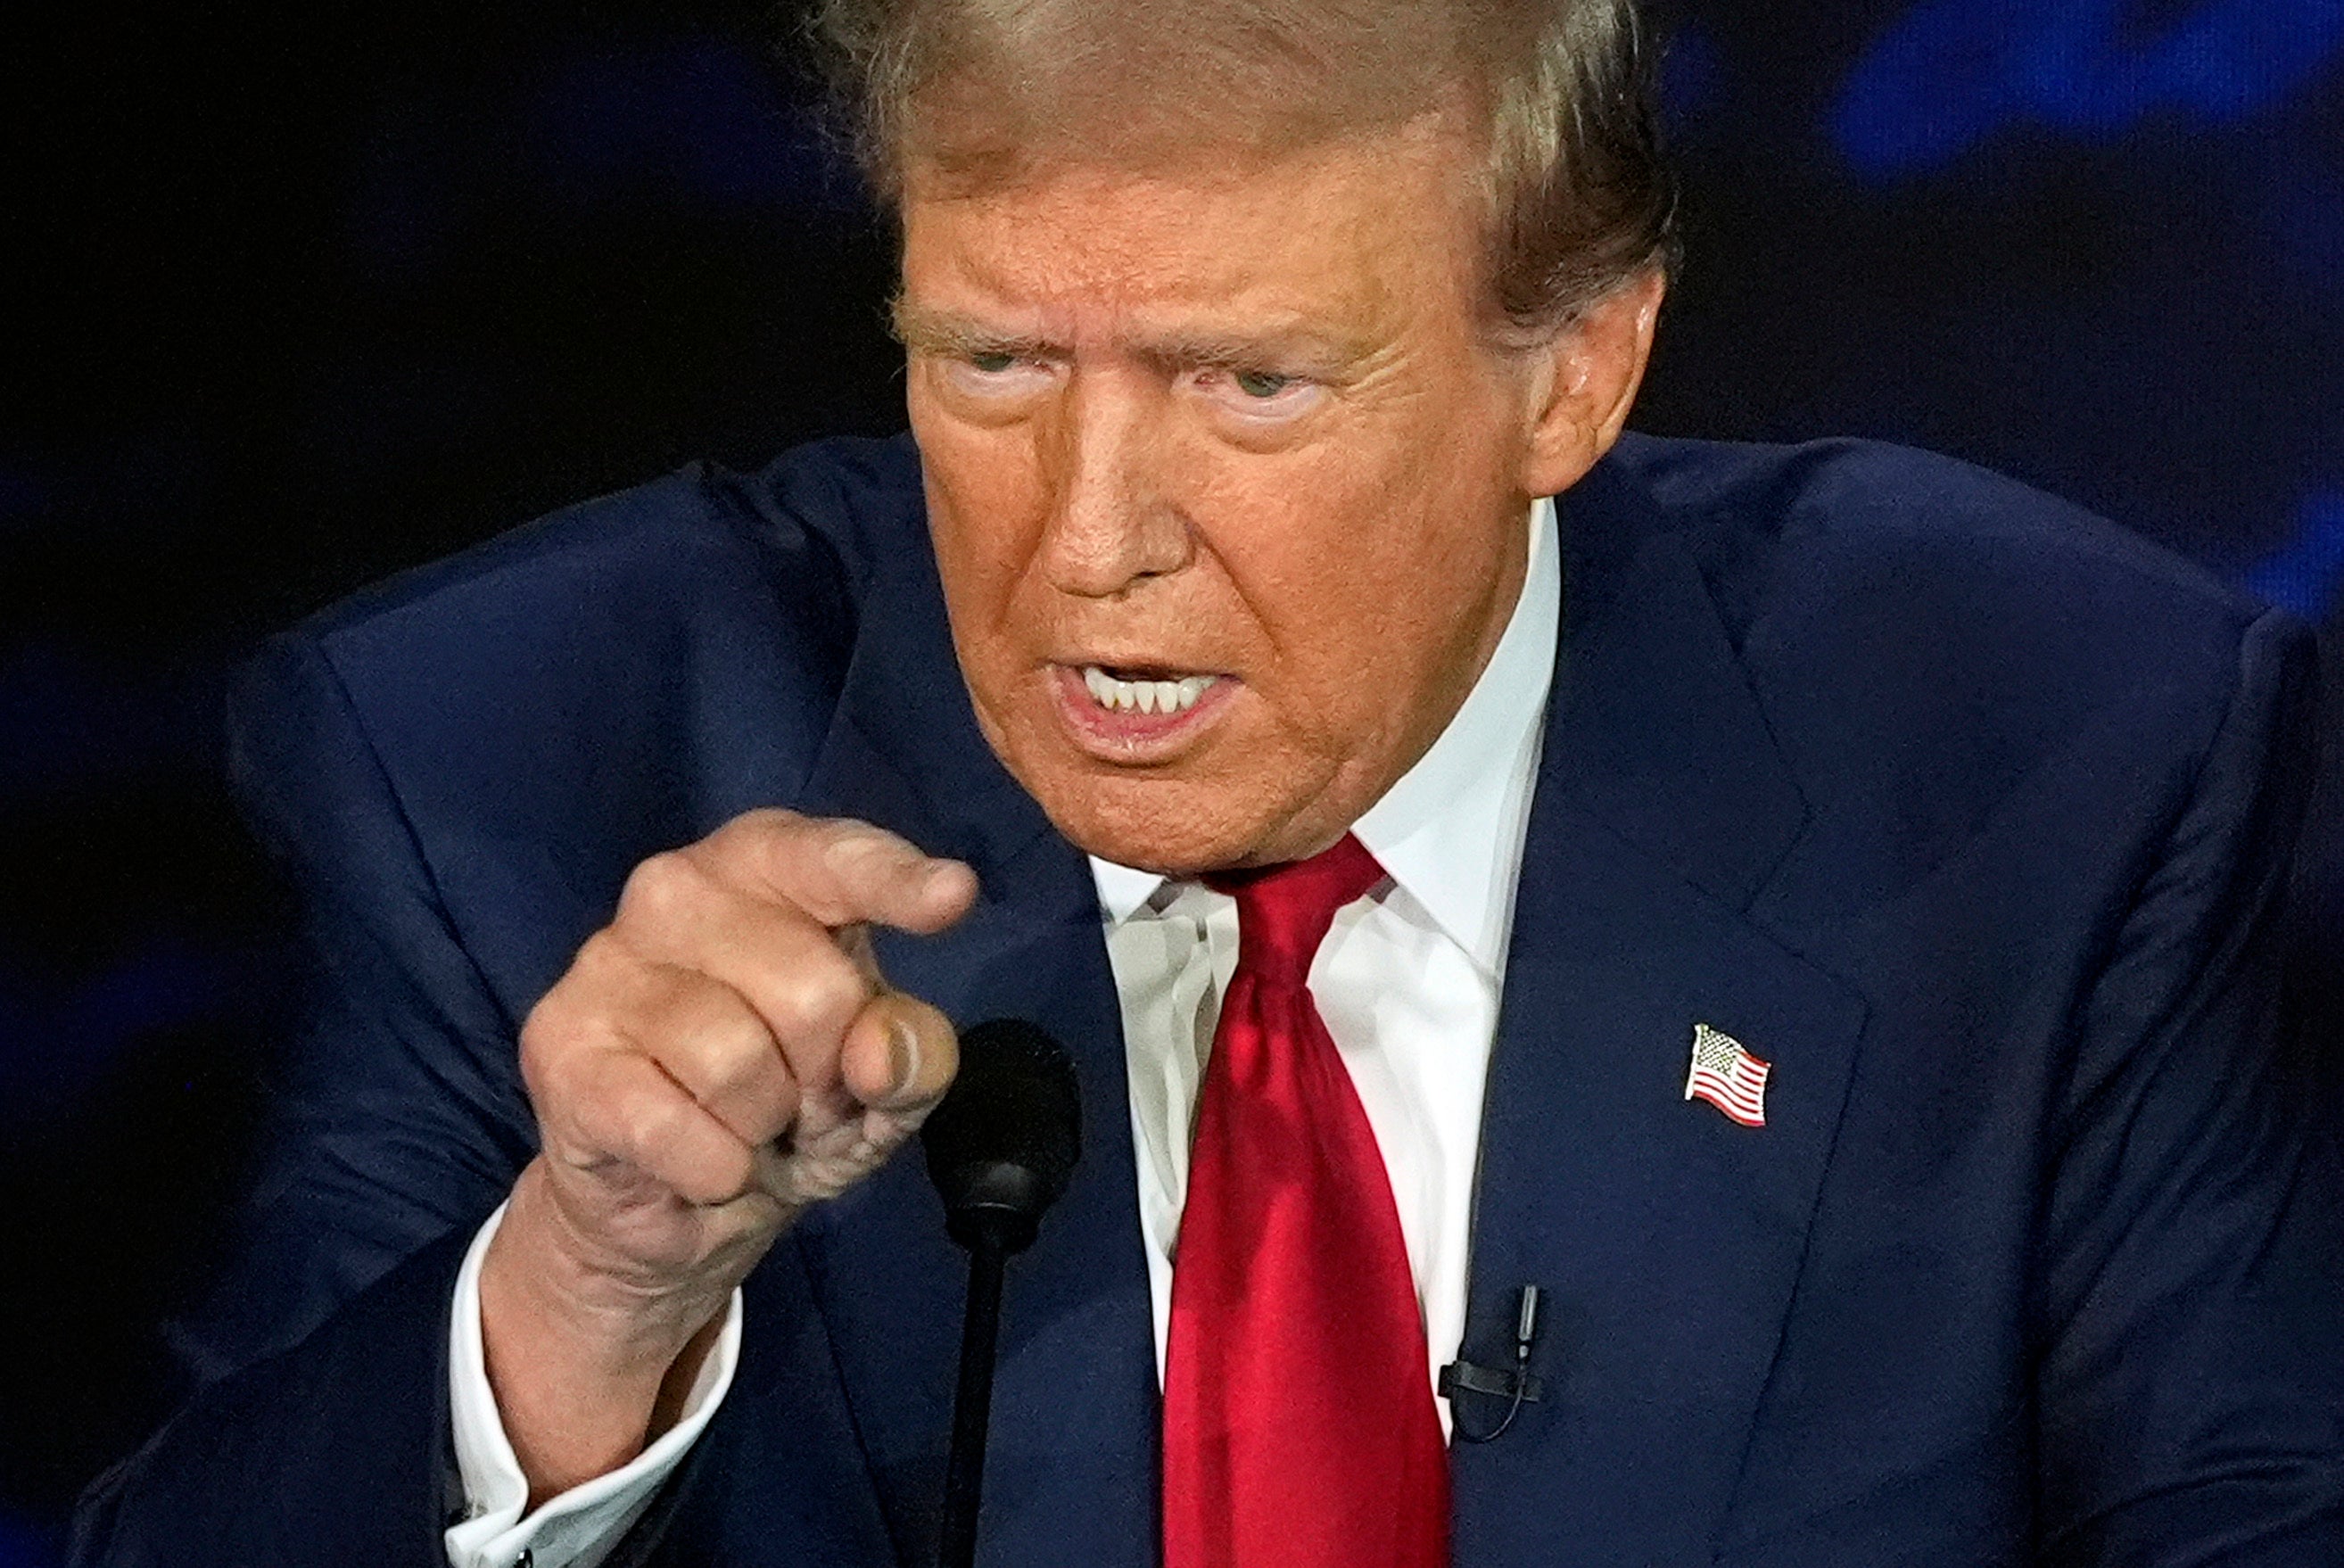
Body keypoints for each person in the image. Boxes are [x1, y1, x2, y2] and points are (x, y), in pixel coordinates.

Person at [71, 0, 2344, 1563]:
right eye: (990, 364)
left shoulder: (2052, 765)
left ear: (1574, 372)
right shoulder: (526, 774)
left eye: (1249, 382)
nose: (1087, 542)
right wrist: (585, 1295)